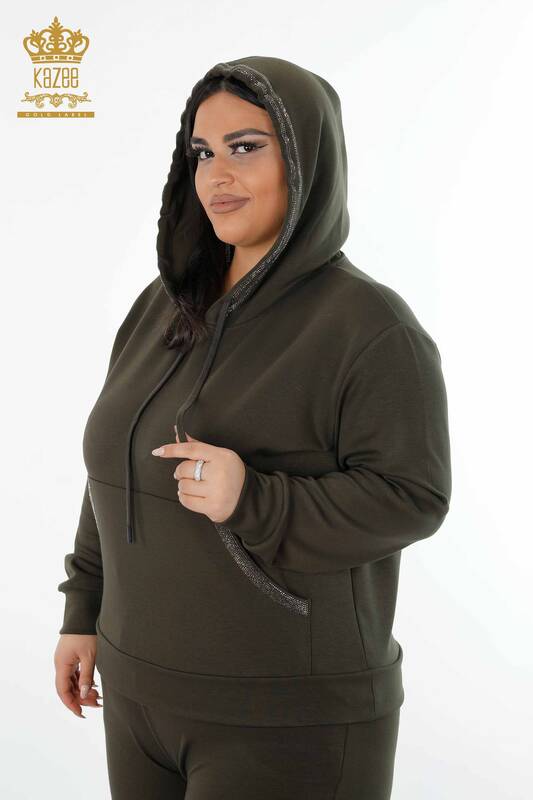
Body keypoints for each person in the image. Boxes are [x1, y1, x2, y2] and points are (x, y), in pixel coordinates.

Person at [54, 55, 452, 799]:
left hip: (287, 718)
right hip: (137, 697)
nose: (217, 175)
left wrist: (252, 497)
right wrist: (84, 610)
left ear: (307, 158)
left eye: (246, 147)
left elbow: (413, 497)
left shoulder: (369, 326)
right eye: (202, 153)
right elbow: (115, 462)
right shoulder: (165, 305)